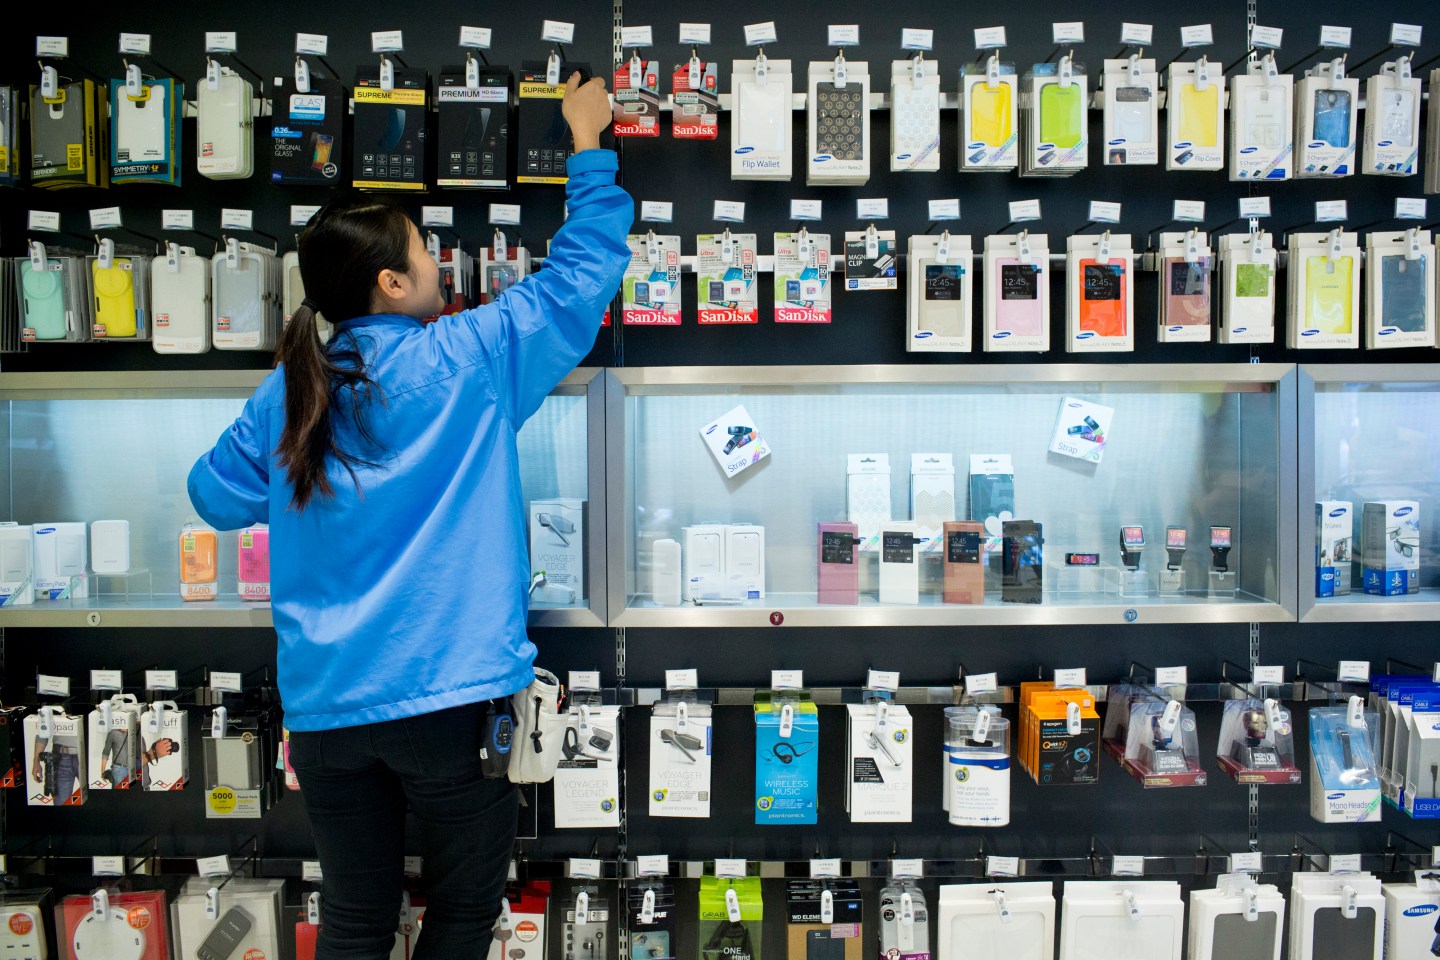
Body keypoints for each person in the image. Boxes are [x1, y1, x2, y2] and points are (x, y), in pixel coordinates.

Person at [187, 73, 631, 960]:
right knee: (461, 914)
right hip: (448, 701)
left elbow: (214, 496)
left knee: (355, 919)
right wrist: (587, 145)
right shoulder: (467, 358)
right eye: (425, 252)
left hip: (326, 709)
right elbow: (580, 280)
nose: (437, 264)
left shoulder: (290, 393)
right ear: (392, 282)